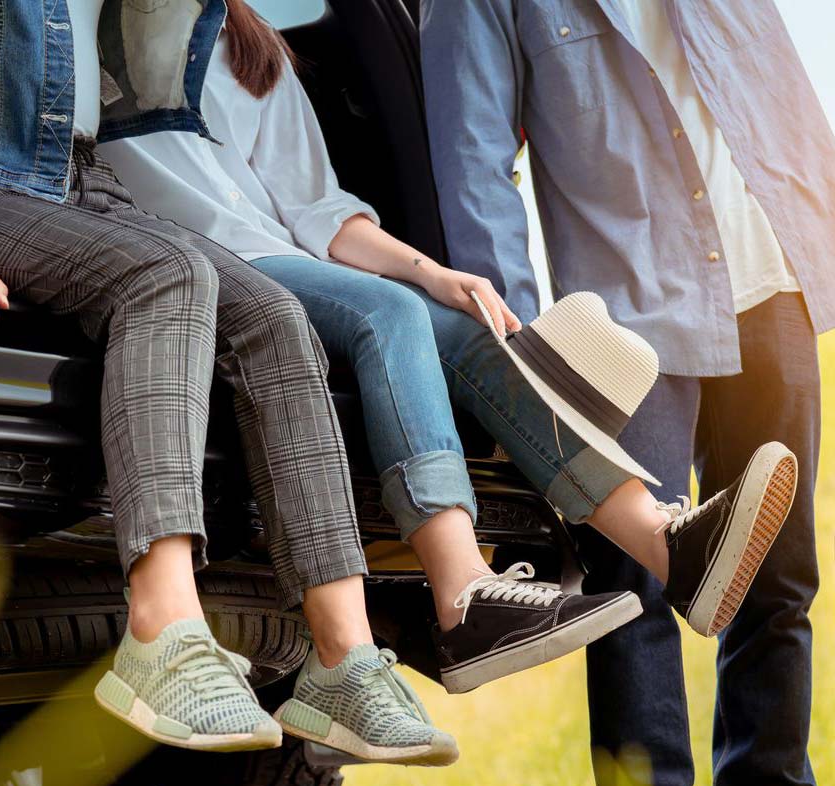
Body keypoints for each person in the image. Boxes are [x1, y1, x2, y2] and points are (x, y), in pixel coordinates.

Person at [100, 1, 794, 713]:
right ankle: (462, 595)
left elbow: (317, 210)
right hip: (183, 260)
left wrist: (432, 272)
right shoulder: (78, 23)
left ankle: (662, 541)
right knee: (390, 312)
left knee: (463, 326)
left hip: (277, 256)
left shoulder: (251, 45)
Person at [0, 0, 461, 769]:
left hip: (81, 185)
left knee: (273, 315)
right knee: (168, 277)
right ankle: (161, 628)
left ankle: (343, 660)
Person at [422, 0, 835, 786]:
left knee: (776, 574)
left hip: (775, 289)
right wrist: (526, 353)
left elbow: (783, 103)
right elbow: (475, 163)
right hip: (626, 313)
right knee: (631, 584)